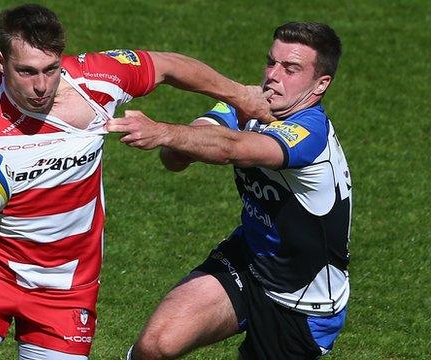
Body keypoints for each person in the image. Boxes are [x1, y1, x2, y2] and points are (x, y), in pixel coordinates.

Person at [0, 4, 273, 360]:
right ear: (1, 63)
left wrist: (239, 94)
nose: (42, 85)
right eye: (27, 72)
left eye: (51, 69)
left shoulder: (97, 81)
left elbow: (167, 65)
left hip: (66, 292)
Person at [107, 22, 351, 359]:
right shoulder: (249, 105)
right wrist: (181, 140)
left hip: (302, 301)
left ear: (320, 83)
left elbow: (233, 148)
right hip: (248, 259)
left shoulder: (311, 135)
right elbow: (175, 159)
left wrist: (165, 131)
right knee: (154, 346)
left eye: (291, 68)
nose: (273, 76)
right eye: (271, 62)